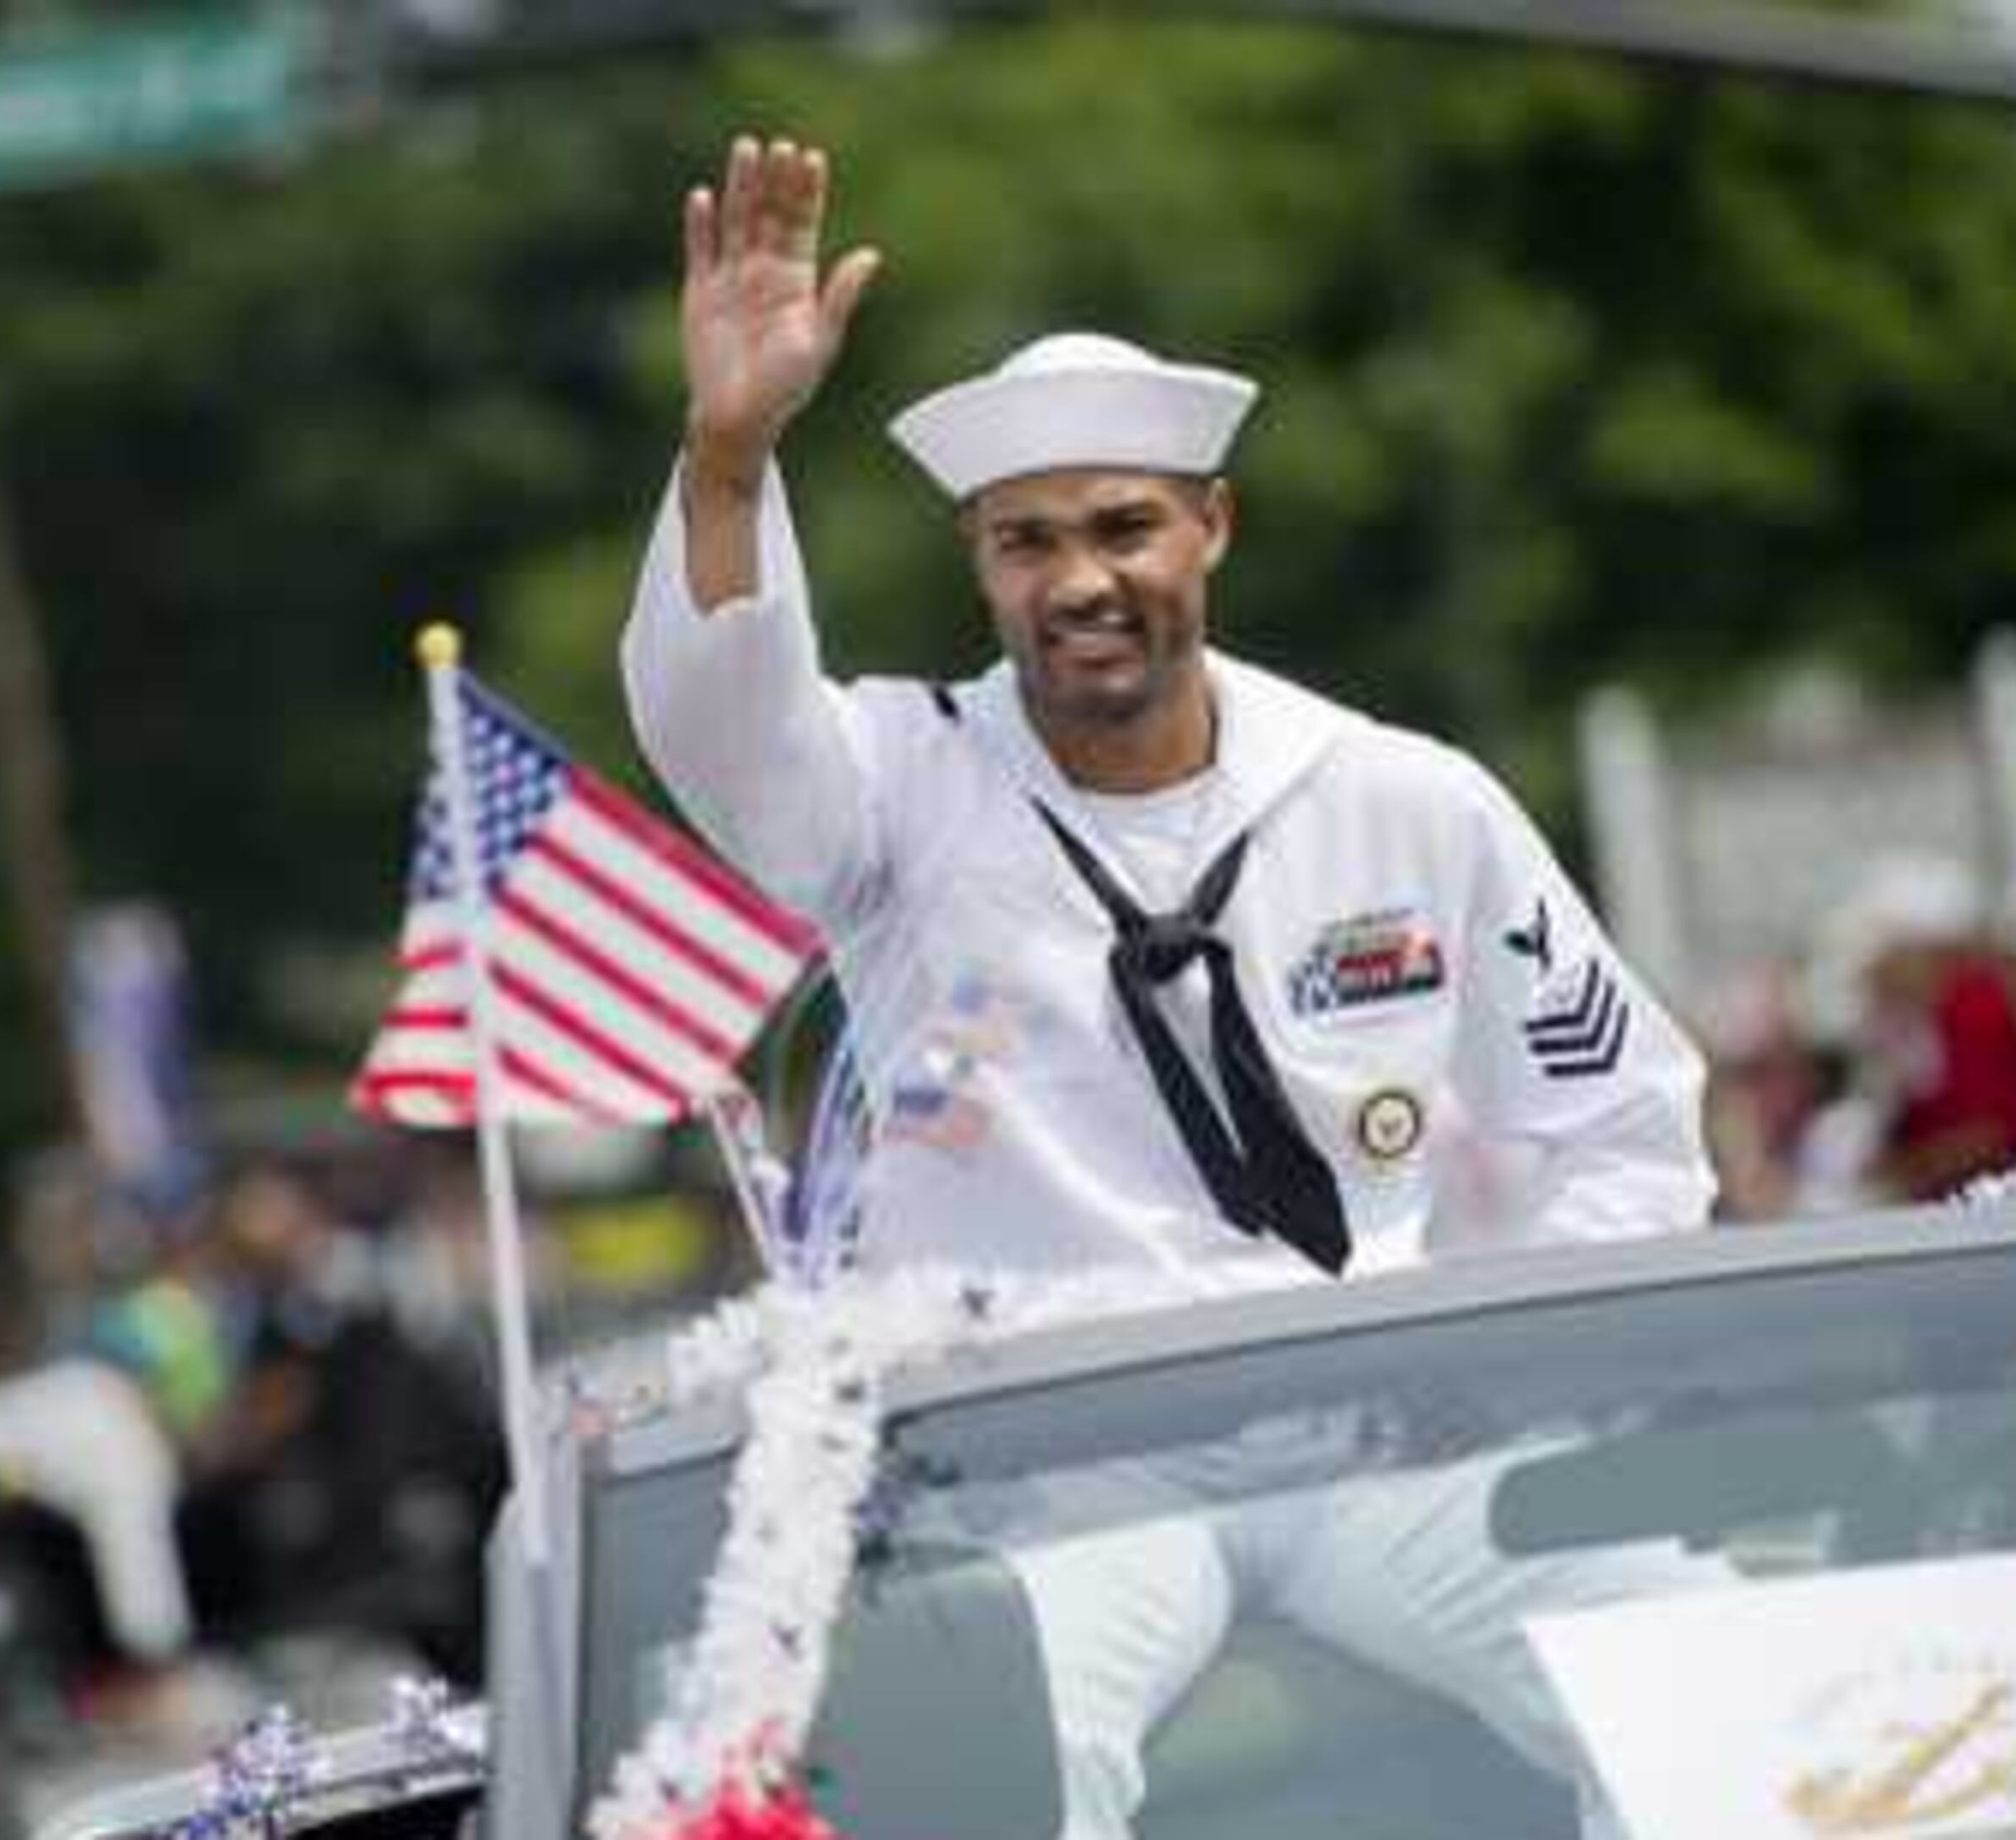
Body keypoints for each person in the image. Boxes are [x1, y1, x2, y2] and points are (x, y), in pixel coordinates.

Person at [623, 135, 1719, 1837]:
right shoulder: (902, 779)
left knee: (1682, 1664)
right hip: (1058, 1459)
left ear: (1213, 525)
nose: (1079, 582)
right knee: (996, 1752)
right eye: (1025, 542)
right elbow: (728, 741)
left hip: (1376, 1434)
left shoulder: (1401, 795)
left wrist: (1504, 1375)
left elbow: (1630, 1126)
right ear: (982, 566)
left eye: (1125, 526)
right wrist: (727, 456)